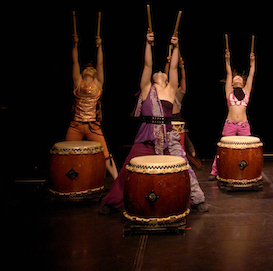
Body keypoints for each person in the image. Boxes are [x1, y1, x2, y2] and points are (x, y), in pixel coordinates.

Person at [100, 31, 206, 213]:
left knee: (184, 168)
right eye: (156, 73)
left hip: (167, 137)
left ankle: (194, 200)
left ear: (166, 79)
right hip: (146, 135)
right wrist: (148, 43)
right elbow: (148, 64)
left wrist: (176, 47)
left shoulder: (171, 90)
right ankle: (112, 203)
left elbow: (173, 68)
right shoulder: (146, 87)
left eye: (162, 73)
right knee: (127, 169)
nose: (159, 72)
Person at [65, 33, 118, 179]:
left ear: (94, 73)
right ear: (82, 73)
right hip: (76, 125)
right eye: (86, 68)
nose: (89, 69)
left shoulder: (98, 83)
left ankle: (117, 182)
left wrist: (99, 46)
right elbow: (74, 62)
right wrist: (75, 45)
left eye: (91, 68)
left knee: (106, 155)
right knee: (67, 153)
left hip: (93, 126)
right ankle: (68, 182)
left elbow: (100, 64)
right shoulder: (78, 82)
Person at [209, 48, 256, 180]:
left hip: (243, 125)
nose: (236, 78)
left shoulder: (246, 91)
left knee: (247, 149)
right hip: (230, 124)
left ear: (243, 82)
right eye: (235, 77)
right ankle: (214, 171)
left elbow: (251, 75)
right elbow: (228, 73)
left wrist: (252, 62)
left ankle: (248, 169)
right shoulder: (229, 91)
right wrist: (227, 60)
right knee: (222, 148)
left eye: (239, 77)